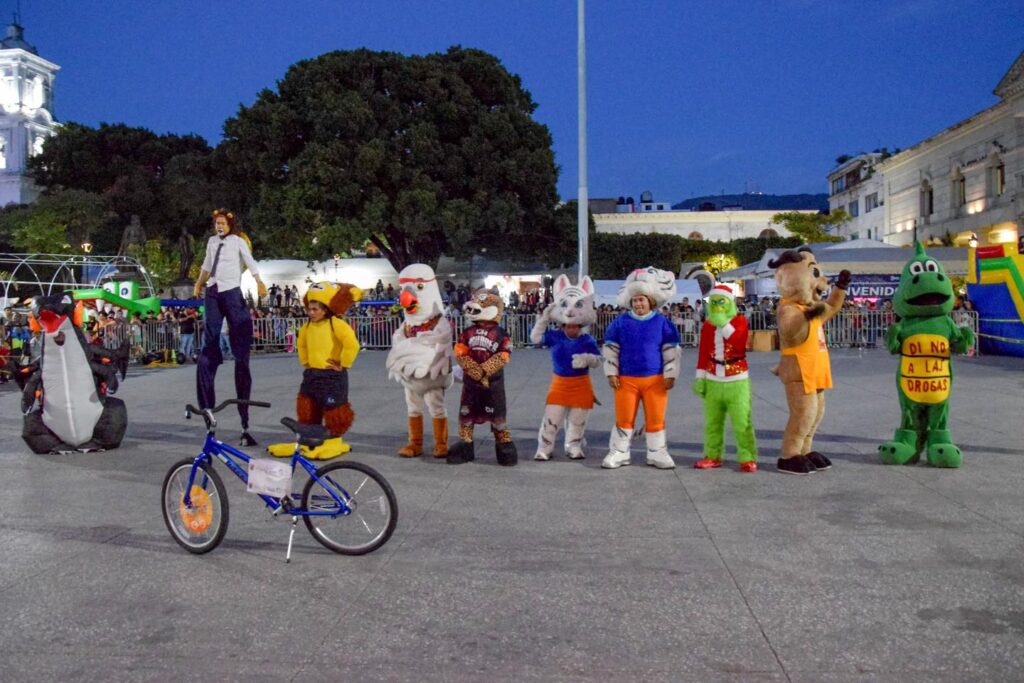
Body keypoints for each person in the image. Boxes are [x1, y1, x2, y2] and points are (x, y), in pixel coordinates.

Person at [192, 208, 267, 445]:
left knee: (241, 350)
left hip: (232, 292)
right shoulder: (212, 242)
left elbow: (250, 262)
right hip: (213, 291)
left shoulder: (238, 241)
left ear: (230, 225)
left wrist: (259, 281)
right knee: (209, 344)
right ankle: (208, 412)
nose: (219, 227)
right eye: (217, 223)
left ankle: (245, 423)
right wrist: (199, 282)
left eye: (223, 223)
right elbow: (206, 265)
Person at [267, 282, 362, 460]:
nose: (310, 312)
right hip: (312, 375)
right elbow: (301, 344)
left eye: (315, 309)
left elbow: (352, 344)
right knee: (307, 407)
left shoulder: (336, 324)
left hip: (332, 376)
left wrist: (343, 364)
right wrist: (306, 362)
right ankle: (307, 441)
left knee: (334, 410)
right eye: (309, 309)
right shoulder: (307, 326)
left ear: (325, 310)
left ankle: (334, 441)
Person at [600, 267, 682, 470]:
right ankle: (620, 451)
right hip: (626, 380)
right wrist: (611, 373)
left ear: (650, 301)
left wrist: (671, 374)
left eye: (641, 300)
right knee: (624, 417)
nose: (638, 303)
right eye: (635, 300)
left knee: (656, 417)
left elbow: (671, 350)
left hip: (655, 379)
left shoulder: (662, 322)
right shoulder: (620, 322)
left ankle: (657, 452)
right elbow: (610, 348)